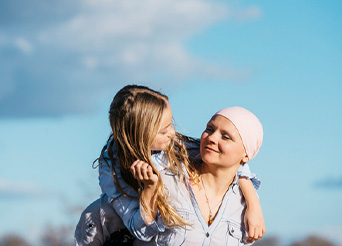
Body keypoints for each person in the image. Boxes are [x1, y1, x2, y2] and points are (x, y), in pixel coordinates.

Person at [75, 85, 264, 245]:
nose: (173, 133)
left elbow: (234, 162)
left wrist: (253, 204)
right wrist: (150, 189)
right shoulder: (115, 171)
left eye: (170, 124)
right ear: (141, 136)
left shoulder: (178, 150)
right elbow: (137, 228)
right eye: (164, 130)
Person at [133, 106, 264, 245]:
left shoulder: (244, 206)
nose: (212, 138)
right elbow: (141, 231)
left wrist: (253, 203)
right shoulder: (164, 177)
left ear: (246, 155)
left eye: (226, 137)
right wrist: (149, 190)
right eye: (209, 129)